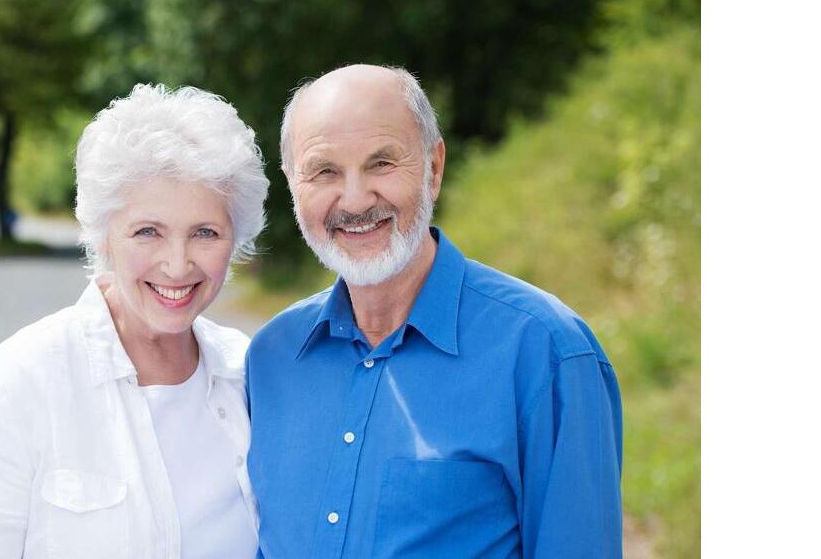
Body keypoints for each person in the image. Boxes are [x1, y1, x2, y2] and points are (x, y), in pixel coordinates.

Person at [246, 64, 623, 558]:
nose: (356, 199)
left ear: (434, 167)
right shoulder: (271, 356)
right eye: (324, 171)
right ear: (293, 185)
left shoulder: (546, 350)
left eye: (381, 164)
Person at [0, 84, 270, 558]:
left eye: (205, 233)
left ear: (236, 240)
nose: (177, 264)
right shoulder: (20, 380)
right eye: (148, 232)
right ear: (102, 234)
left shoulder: (250, 374)